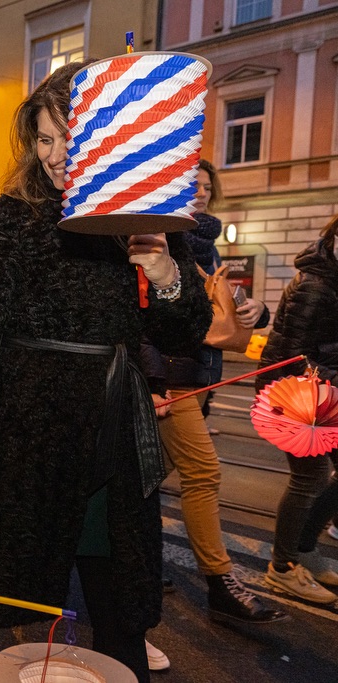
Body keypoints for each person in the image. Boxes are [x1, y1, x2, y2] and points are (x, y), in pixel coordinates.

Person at [0, 61, 211, 683]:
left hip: (110, 444)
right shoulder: (8, 220)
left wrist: (167, 276)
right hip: (21, 437)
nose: (54, 154)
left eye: (68, 136)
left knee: (120, 612)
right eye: (43, 139)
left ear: (105, 135)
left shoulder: (137, 219)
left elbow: (183, 333)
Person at [140, 159, 284, 627]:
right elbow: (143, 318)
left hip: (200, 377)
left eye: (206, 187)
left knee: (147, 476)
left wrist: (256, 309)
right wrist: (155, 383)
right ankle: (220, 581)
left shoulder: (207, 247)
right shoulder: (159, 235)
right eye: (192, 185)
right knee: (203, 472)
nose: (200, 193)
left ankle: (134, 562)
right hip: (172, 379)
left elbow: (225, 312)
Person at [257, 213, 338, 604]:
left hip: (323, 393)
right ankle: (284, 567)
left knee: (319, 476)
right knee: (309, 477)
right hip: (295, 395)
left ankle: (303, 549)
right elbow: (296, 360)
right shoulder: (318, 285)